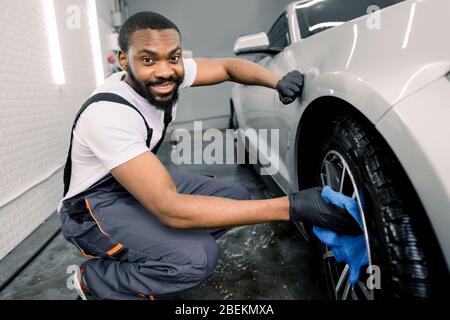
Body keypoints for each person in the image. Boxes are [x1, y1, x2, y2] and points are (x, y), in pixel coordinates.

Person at [58, 11, 361, 300]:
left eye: (173, 58)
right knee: (197, 258)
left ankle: (160, 250)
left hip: (128, 187)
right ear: (124, 61)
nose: (165, 71)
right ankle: (97, 279)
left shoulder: (166, 73)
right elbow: (169, 208)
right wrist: (291, 207)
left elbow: (229, 68)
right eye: (148, 59)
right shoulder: (108, 115)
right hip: (91, 208)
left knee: (235, 197)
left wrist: (277, 82)